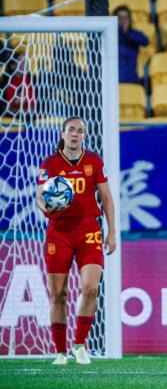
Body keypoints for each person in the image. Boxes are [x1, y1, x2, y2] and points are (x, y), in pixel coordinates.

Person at [36, 116, 117, 365]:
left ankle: (79, 345)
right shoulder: (49, 163)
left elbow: (106, 197)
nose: (75, 134)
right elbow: (40, 198)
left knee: (91, 288)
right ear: (62, 134)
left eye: (80, 131)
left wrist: (112, 231)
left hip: (89, 230)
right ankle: (60, 352)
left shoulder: (94, 161)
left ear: (84, 136)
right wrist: (47, 208)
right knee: (58, 294)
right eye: (71, 130)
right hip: (59, 231)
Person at [114, 5, 149, 85]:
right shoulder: (110, 35)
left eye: (125, 18)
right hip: (113, 79)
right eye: (120, 18)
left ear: (130, 19)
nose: (123, 20)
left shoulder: (134, 34)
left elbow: (145, 41)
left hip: (131, 79)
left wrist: (127, 32)